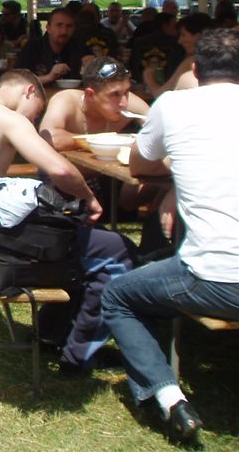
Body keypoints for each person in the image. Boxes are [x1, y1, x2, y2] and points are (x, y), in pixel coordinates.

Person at [0, 69, 134, 374]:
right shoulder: (8, 118)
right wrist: (89, 197)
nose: (34, 120)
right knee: (118, 250)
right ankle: (79, 357)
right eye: (36, 113)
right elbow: (62, 170)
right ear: (29, 91)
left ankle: (50, 332)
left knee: (81, 239)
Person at [102, 28, 239, 445]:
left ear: (195, 70)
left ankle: (169, 399)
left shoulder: (174, 104)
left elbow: (139, 166)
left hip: (215, 278)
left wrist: (179, 172)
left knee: (118, 295)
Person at [39, 57, 156, 216]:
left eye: (126, 92)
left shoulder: (130, 104)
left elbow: (160, 130)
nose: (123, 102)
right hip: (64, 183)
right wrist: (97, 141)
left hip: (109, 180)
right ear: (90, 94)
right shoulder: (67, 100)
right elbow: (49, 137)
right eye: (114, 94)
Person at [142, 12, 212, 98]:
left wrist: (149, 78)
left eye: (183, 35)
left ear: (198, 37)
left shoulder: (191, 62)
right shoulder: (218, 58)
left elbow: (162, 95)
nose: (180, 41)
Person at [16, 7, 87, 85]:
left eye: (69, 26)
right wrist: (49, 77)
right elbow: (18, 80)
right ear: (48, 28)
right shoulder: (33, 46)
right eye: (59, 25)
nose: (64, 31)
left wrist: (92, 66)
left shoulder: (79, 46)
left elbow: (96, 75)